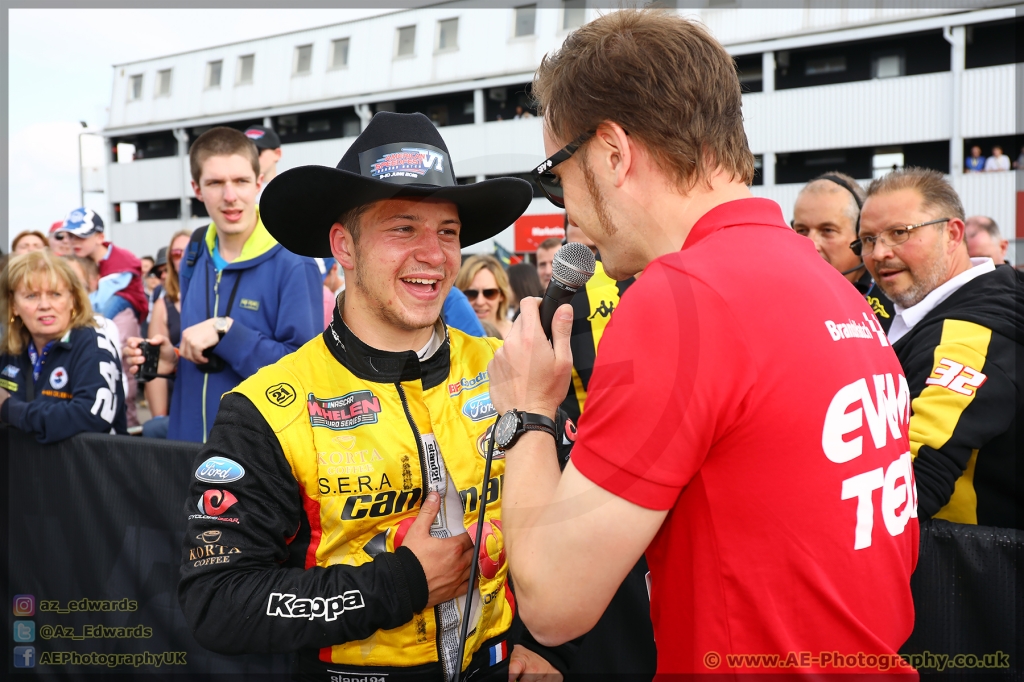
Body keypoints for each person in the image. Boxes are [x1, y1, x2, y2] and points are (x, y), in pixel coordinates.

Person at [491, 10, 918, 675]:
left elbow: (553, 601)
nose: (563, 211)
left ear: (612, 153)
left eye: (555, 175)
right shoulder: (828, 283)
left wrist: (526, 412)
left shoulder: (682, 298)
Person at [176, 111, 570, 681]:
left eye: (447, 232)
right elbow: (217, 602)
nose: (433, 255)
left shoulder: (509, 365)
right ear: (345, 246)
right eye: (403, 228)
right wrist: (402, 582)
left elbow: (575, 521)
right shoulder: (267, 407)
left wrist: (549, 643)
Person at [122, 127, 322, 443]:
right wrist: (172, 361)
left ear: (258, 182)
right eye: (215, 183)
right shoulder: (195, 249)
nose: (230, 197)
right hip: (187, 450)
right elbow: (205, 361)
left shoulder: (294, 261)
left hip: (255, 461)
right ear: (197, 189)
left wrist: (226, 330)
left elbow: (305, 376)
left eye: (241, 181)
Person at [859, 168, 1022, 529]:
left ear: (952, 233)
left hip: (967, 571)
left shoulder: (971, 334)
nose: (879, 252)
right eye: (867, 240)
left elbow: (910, 482)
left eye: (899, 233)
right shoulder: (898, 312)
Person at [0, 251, 127, 443]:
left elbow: (89, 416)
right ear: (13, 306)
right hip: (27, 468)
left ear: (72, 299)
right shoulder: (10, 348)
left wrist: (9, 408)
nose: (44, 305)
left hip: (88, 469)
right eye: (31, 296)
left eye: (55, 294)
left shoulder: (93, 345)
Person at [55, 207, 147, 427]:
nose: (74, 241)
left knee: (109, 346)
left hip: (123, 310)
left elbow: (98, 303)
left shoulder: (120, 261)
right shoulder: (86, 259)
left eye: (81, 236)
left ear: (100, 237)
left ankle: (131, 429)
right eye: (70, 235)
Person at [793, 172, 896, 330]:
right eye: (802, 230)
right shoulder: (782, 298)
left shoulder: (897, 304)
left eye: (827, 230)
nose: (811, 243)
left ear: (861, 237)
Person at [141, 230, 190, 438]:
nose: (184, 256)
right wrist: (159, 418)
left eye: (189, 250)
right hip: (176, 394)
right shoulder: (164, 304)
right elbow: (155, 360)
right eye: (177, 253)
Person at [456, 255, 513, 338]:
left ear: (502, 295)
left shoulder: (517, 336)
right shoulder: (449, 336)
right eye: (471, 294)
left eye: (489, 293)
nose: (480, 302)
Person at [244, 125, 282, 200]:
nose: (250, 157)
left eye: (257, 151)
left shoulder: (289, 192)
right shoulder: (233, 194)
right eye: (244, 152)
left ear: (277, 154)